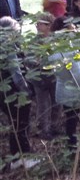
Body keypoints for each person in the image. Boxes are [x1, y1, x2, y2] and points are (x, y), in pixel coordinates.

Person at [49, 16, 80, 163]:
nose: (75, 31)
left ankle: (72, 151)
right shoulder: (70, 50)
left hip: (65, 92)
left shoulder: (53, 50)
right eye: (72, 29)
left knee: (71, 121)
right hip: (78, 92)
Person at [0, 17, 38, 170]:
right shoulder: (8, 47)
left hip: (3, 94)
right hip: (14, 93)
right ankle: (25, 158)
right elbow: (16, 73)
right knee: (21, 124)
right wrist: (27, 90)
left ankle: (16, 159)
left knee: (14, 124)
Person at [26, 13, 62, 141]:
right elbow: (28, 60)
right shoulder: (33, 42)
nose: (37, 26)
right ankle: (44, 131)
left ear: (48, 26)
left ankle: (55, 127)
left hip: (54, 77)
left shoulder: (56, 40)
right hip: (39, 79)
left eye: (40, 24)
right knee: (43, 106)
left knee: (57, 103)